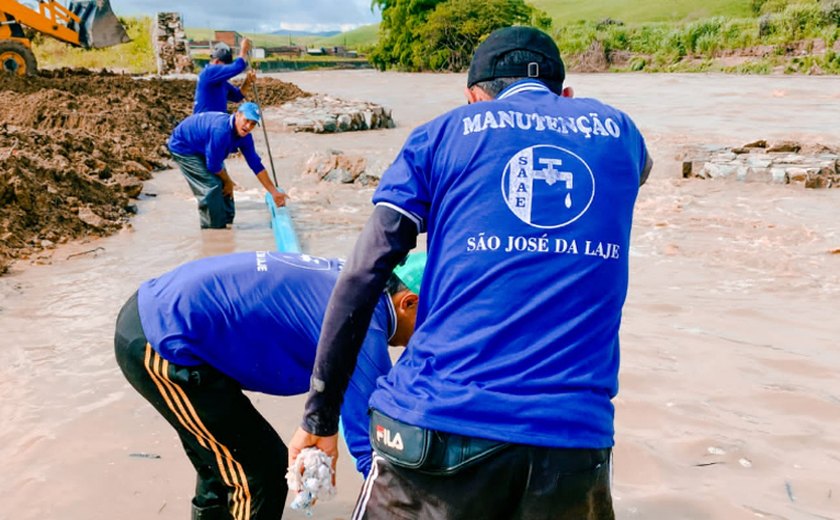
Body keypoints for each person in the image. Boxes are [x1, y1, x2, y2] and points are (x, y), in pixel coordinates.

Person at [288, 26, 653, 520]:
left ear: (473, 98)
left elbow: (362, 274)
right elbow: (639, 171)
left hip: (439, 428)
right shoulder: (623, 136)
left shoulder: (443, 134)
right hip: (574, 443)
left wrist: (320, 414)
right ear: (566, 94)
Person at [114, 250, 424, 520]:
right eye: (429, 324)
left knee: (223, 460)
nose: (425, 338)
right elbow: (374, 450)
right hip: (164, 340)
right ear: (408, 303)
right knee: (258, 475)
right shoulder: (364, 326)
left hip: (164, 313)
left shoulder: (359, 280)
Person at [168, 102, 287, 229]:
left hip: (203, 145)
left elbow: (256, 164)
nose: (248, 126)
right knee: (212, 185)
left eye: (253, 123)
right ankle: (214, 230)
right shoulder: (221, 131)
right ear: (237, 115)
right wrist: (228, 181)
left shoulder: (245, 137)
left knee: (224, 184)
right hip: (184, 146)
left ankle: (227, 223)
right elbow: (213, 166)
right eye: (246, 120)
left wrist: (274, 192)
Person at [194, 39, 256, 114]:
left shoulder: (220, 82)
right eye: (225, 67)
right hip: (205, 121)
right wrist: (244, 50)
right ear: (216, 62)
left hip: (216, 120)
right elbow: (238, 66)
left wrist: (248, 81)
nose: (226, 71)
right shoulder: (209, 72)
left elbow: (238, 96)